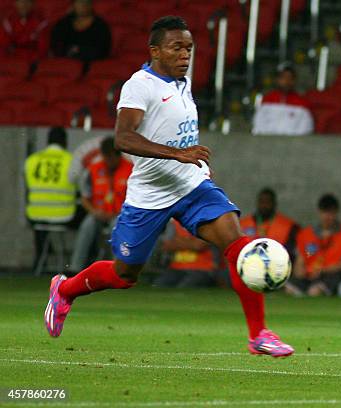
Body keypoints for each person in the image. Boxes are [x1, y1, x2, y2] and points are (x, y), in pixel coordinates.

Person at [44, 16, 293, 358]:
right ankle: (66, 290)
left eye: (189, 48)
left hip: (192, 187)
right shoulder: (139, 85)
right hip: (149, 195)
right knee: (124, 273)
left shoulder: (181, 82)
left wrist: (195, 162)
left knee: (240, 246)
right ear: (155, 50)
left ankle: (259, 335)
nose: (185, 55)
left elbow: (175, 128)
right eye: (177, 47)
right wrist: (178, 154)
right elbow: (123, 137)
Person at [68, 137, 132, 273]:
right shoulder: (93, 169)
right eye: (105, 157)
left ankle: (117, 270)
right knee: (87, 225)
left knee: (117, 226)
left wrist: (119, 213)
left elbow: (136, 198)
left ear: (117, 155)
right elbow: (85, 197)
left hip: (120, 214)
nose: (108, 161)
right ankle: (75, 268)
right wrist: (94, 212)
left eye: (110, 157)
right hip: (98, 214)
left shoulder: (130, 170)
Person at [25, 127, 76, 270]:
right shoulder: (71, 160)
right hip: (64, 214)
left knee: (41, 224)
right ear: (65, 142)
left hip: (36, 214)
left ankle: (40, 259)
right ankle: (82, 260)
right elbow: (80, 189)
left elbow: (29, 186)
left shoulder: (32, 160)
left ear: (47, 141)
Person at [287, 194, 341, 297]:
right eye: (325, 212)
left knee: (315, 292)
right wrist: (299, 271)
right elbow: (300, 260)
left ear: (336, 213)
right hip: (309, 274)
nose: (327, 216)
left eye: (331, 213)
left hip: (332, 275)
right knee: (289, 288)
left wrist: (321, 270)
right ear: (319, 212)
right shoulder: (306, 234)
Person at [153, 219, 224, 289]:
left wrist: (178, 241)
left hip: (202, 269)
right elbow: (166, 245)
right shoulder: (174, 223)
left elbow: (198, 245)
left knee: (184, 289)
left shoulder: (208, 221)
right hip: (176, 268)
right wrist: (190, 242)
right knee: (158, 286)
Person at [252, 63, 314, 136]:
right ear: (276, 79)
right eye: (283, 77)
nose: (286, 81)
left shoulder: (302, 103)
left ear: (294, 80)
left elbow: (305, 129)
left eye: (290, 78)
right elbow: (258, 126)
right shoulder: (267, 99)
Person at [240, 188, 299, 256]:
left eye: (268, 202)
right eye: (262, 202)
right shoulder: (243, 224)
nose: (264, 205)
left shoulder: (289, 226)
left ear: (274, 204)